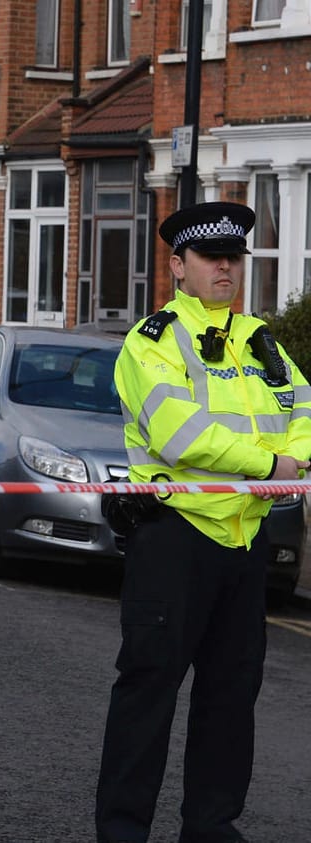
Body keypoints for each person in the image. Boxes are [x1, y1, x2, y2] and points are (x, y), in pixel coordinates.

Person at [95, 201, 311, 843]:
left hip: (245, 540)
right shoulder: (154, 339)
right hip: (176, 535)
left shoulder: (260, 340)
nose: (226, 266)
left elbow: (302, 407)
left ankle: (212, 828)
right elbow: (180, 433)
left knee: (230, 700)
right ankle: (123, 831)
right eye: (211, 257)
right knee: (148, 693)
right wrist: (272, 465)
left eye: (234, 257)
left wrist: (290, 461)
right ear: (177, 267)